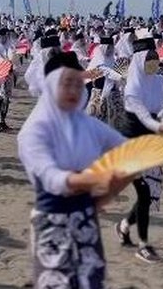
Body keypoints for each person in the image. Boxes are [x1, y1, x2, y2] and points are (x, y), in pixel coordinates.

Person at [18, 51, 129, 289]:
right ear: (51, 85)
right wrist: (95, 179)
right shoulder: (34, 130)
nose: (74, 91)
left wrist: (104, 196)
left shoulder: (86, 124)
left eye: (78, 84)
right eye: (66, 84)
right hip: (52, 222)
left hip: (86, 219)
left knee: (91, 281)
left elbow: (128, 153)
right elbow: (52, 178)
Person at [115, 38, 163, 263]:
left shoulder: (160, 81)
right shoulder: (132, 88)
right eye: (149, 59)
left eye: (155, 58)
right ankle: (143, 245)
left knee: (150, 195)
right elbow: (144, 117)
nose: (153, 62)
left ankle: (124, 226)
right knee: (144, 194)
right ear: (138, 61)